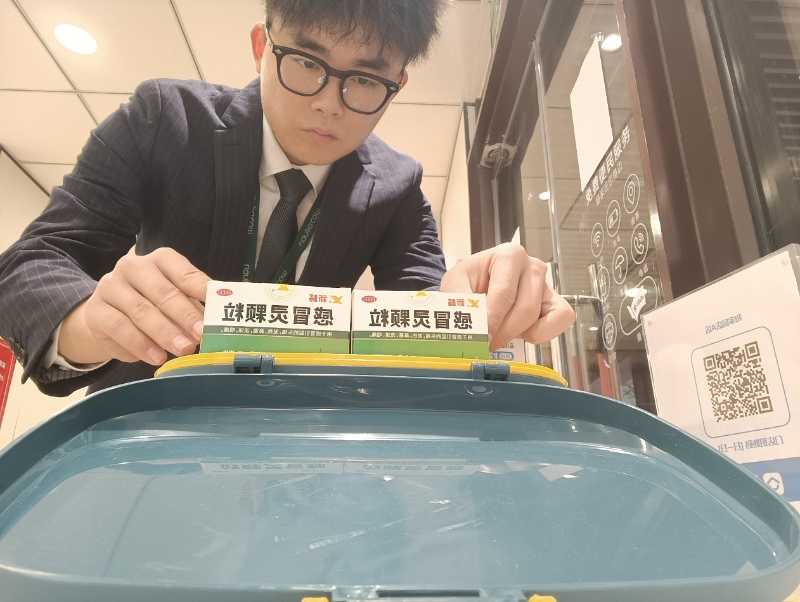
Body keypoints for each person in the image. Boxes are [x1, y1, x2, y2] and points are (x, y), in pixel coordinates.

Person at [0, 0, 574, 396]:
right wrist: (88, 322)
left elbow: (420, 309)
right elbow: (33, 263)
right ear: (262, 45)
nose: (328, 103)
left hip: (301, 449)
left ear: (397, 86)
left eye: (364, 79)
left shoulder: (398, 187)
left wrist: (462, 310)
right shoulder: (162, 122)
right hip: (149, 435)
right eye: (306, 61)